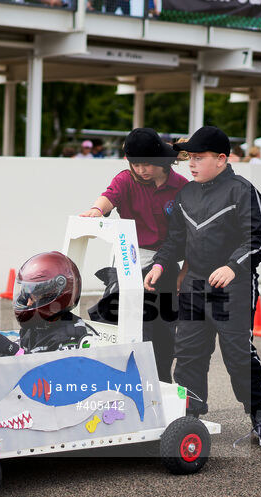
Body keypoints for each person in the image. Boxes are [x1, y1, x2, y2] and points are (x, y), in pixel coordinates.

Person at [143, 126, 261, 449]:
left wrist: (233, 266)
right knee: (188, 353)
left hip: (233, 287)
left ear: (221, 159)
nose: (191, 164)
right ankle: (190, 416)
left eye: (199, 158)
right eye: (189, 157)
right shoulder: (185, 195)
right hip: (193, 285)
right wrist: (160, 264)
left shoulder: (242, 191)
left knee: (238, 355)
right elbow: (175, 240)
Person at [80, 127, 188, 383]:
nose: (141, 170)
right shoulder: (126, 180)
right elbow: (108, 197)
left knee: (164, 334)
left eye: (146, 164)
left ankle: (162, 384)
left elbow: (188, 236)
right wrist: (96, 210)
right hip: (128, 264)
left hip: (166, 264)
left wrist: (185, 271)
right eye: (135, 164)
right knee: (130, 328)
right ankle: (126, 383)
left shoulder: (182, 188)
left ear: (160, 159)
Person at [0, 251, 95, 356]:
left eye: (33, 298)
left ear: (52, 295)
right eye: (27, 297)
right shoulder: (35, 327)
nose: (28, 303)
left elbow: (46, 373)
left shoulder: (72, 335)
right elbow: (21, 355)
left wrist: (12, 350)